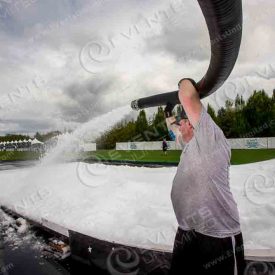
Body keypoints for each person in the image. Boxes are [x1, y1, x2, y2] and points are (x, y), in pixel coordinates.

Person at [165, 78, 245, 275]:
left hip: (218, 236)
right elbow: (172, 130)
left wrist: (183, 81)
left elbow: (186, 94)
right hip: (187, 231)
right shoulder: (189, 144)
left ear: (191, 124)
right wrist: (168, 112)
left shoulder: (210, 138)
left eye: (181, 123)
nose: (178, 127)